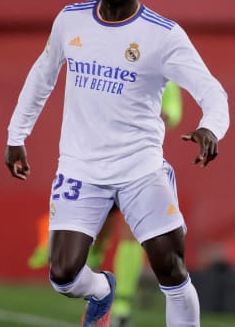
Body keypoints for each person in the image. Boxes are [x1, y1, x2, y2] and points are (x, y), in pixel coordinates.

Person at [5, 0, 229, 327]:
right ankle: (103, 291)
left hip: (139, 169)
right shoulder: (70, 20)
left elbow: (212, 91)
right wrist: (15, 135)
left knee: (171, 268)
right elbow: (42, 76)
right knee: (63, 275)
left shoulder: (163, 35)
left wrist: (211, 127)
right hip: (81, 167)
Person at [26, 81, 184, 327]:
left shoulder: (157, 63)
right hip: (99, 162)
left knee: (132, 234)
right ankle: (94, 274)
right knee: (100, 231)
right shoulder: (106, 61)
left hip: (138, 164)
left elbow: (171, 110)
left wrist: (145, 119)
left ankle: (122, 304)